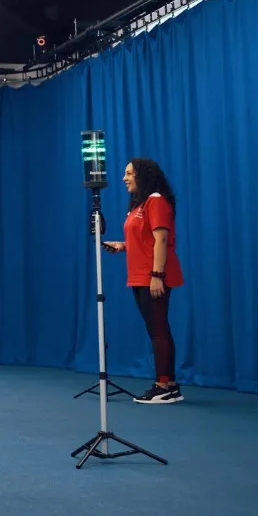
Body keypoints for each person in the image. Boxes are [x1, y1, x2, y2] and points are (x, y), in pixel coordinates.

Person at [104, 158, 185, 404]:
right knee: (158, 329)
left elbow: (161, 240)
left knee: (158, 331)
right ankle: (169, 384)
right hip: (141, 276)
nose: (124, 178)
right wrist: (123, 246)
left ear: (142, 175)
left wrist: (157, 276)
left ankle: (163, 386)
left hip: (154, 276)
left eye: (129, 173)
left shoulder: (156, 201)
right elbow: (146, 240)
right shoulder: (140, 204)